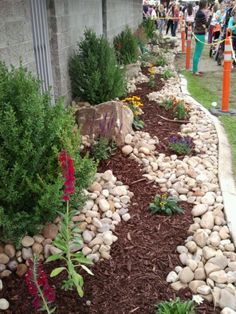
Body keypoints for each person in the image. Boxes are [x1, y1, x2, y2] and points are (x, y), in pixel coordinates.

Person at [192, 0, 208, 75]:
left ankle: (195, 69)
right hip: (200, 34)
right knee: (198, 52)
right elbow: (206, 24)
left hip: (197, 33)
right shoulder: (201, 13)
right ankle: (195, 71)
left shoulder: (198, 12)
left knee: (197, 52)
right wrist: (210, 16)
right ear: (205, 5)